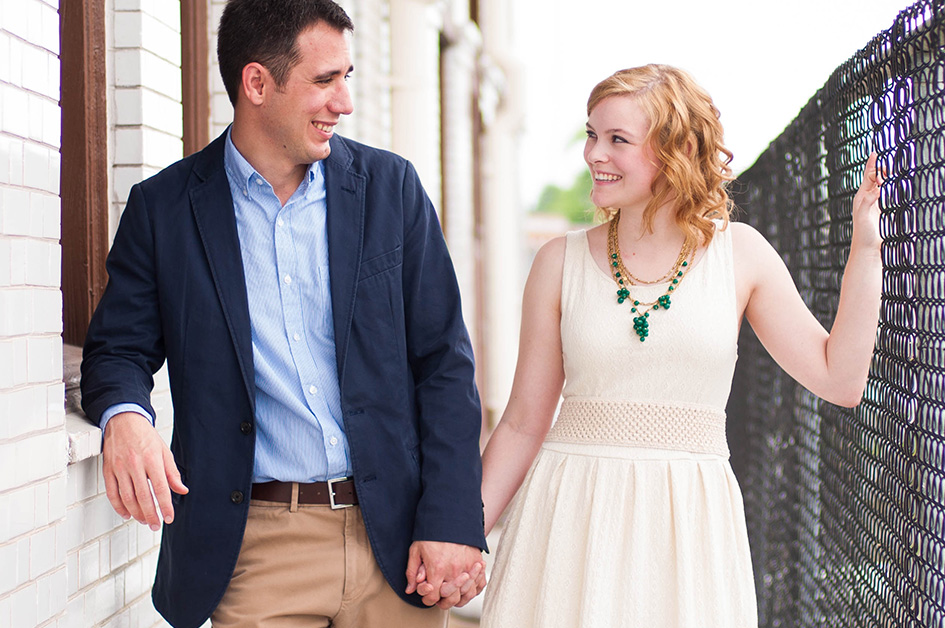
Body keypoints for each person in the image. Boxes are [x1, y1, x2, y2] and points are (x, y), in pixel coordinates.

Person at [80, 1, 487, 626]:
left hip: (396, 542)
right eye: (325, 80)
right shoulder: (163, 211)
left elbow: (444, 365)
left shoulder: (391, 191)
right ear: (257, 84)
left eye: (347, 77)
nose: (344, 102)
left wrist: (453, 520)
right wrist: (126, 416)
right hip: (258, 549)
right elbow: (117, 350)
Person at [478, 64, 883, 628]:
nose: (595, 153)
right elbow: (523, 421)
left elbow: (839, 379)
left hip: (687, 526)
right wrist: (465, 535)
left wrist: (866, 250)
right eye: (593, 134)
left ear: (676, 150)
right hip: (570, 516)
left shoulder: (740, 255)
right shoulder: (557, 262)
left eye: (618, 139)